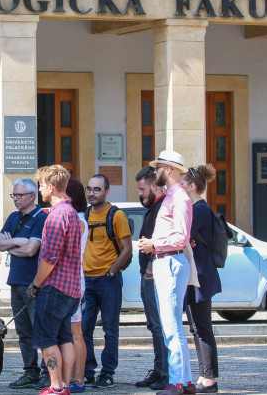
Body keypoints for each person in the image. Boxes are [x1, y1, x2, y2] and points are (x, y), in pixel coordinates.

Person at [139, 150, 197, 395]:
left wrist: (155, 245)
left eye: (159, 167)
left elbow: (182, 238)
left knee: (171, 327)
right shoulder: (172, 196)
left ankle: (178, 382)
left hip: (170, 262)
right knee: (170, 326)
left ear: (169, 170)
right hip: (165, 261)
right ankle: (185, 381)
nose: (155, 172)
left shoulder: (179, 198)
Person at [27, 165, 82, 395]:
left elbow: (49, 258)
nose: (40, 190)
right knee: (64, 338)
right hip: (72, 289)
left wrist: (35, 285)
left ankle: (56, 386)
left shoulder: (56, 216)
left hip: (54, 287)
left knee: (47, 340)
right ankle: (65, 386)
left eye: (41, 185)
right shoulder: (72, 213)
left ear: (50, 187)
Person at [0, 178, 50, 390]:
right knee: (23, 330)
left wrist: (11, 245)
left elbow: (31, 250)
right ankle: (30, 372)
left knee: (39, 329)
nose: (15, 199)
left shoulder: (40, 218)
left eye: (19, 195)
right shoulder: (14, 217)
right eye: (13, 195)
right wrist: (15, 242)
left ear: (32, 196)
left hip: (33, 282)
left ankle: (47, 373)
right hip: (15, 281)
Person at [81, 174, 132, 389]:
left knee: (110, 329)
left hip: (108, 280)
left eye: (97, 190)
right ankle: (87, 371)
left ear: (107, 192)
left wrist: (112, 271)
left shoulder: (116, 215)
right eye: (89, 189)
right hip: (86, 281)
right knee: (84, 329)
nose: (92, 193)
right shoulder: (84, 215)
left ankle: (108, 372)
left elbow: (128, 248)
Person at [181, 164, 222, 394]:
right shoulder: (197, 208)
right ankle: (205, 376)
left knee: (202, 328)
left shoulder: (199, 209)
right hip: (198, 274)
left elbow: (183, 235)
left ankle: (209, 379)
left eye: (183, 183)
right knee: (197, 328)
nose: (180, 187)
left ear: (193, 186)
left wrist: (187, 239)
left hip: (201, 276)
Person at [134, 166, 169, 391]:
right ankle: (159, 370)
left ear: (155, 186)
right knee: (153, 326)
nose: (140, 193)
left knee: (160, 327)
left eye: (143, 189)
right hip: (147, 275)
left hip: (154, 275)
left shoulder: (163, 208)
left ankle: (166, 373)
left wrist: (150, 269)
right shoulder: (154, 208)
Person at [65, 178, 88, 393]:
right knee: (71, 332)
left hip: (72, 280)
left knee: (75, 333)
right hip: (72, 279)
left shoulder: (77, 220)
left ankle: (79, 379)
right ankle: (72, 377)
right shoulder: (76, 217)